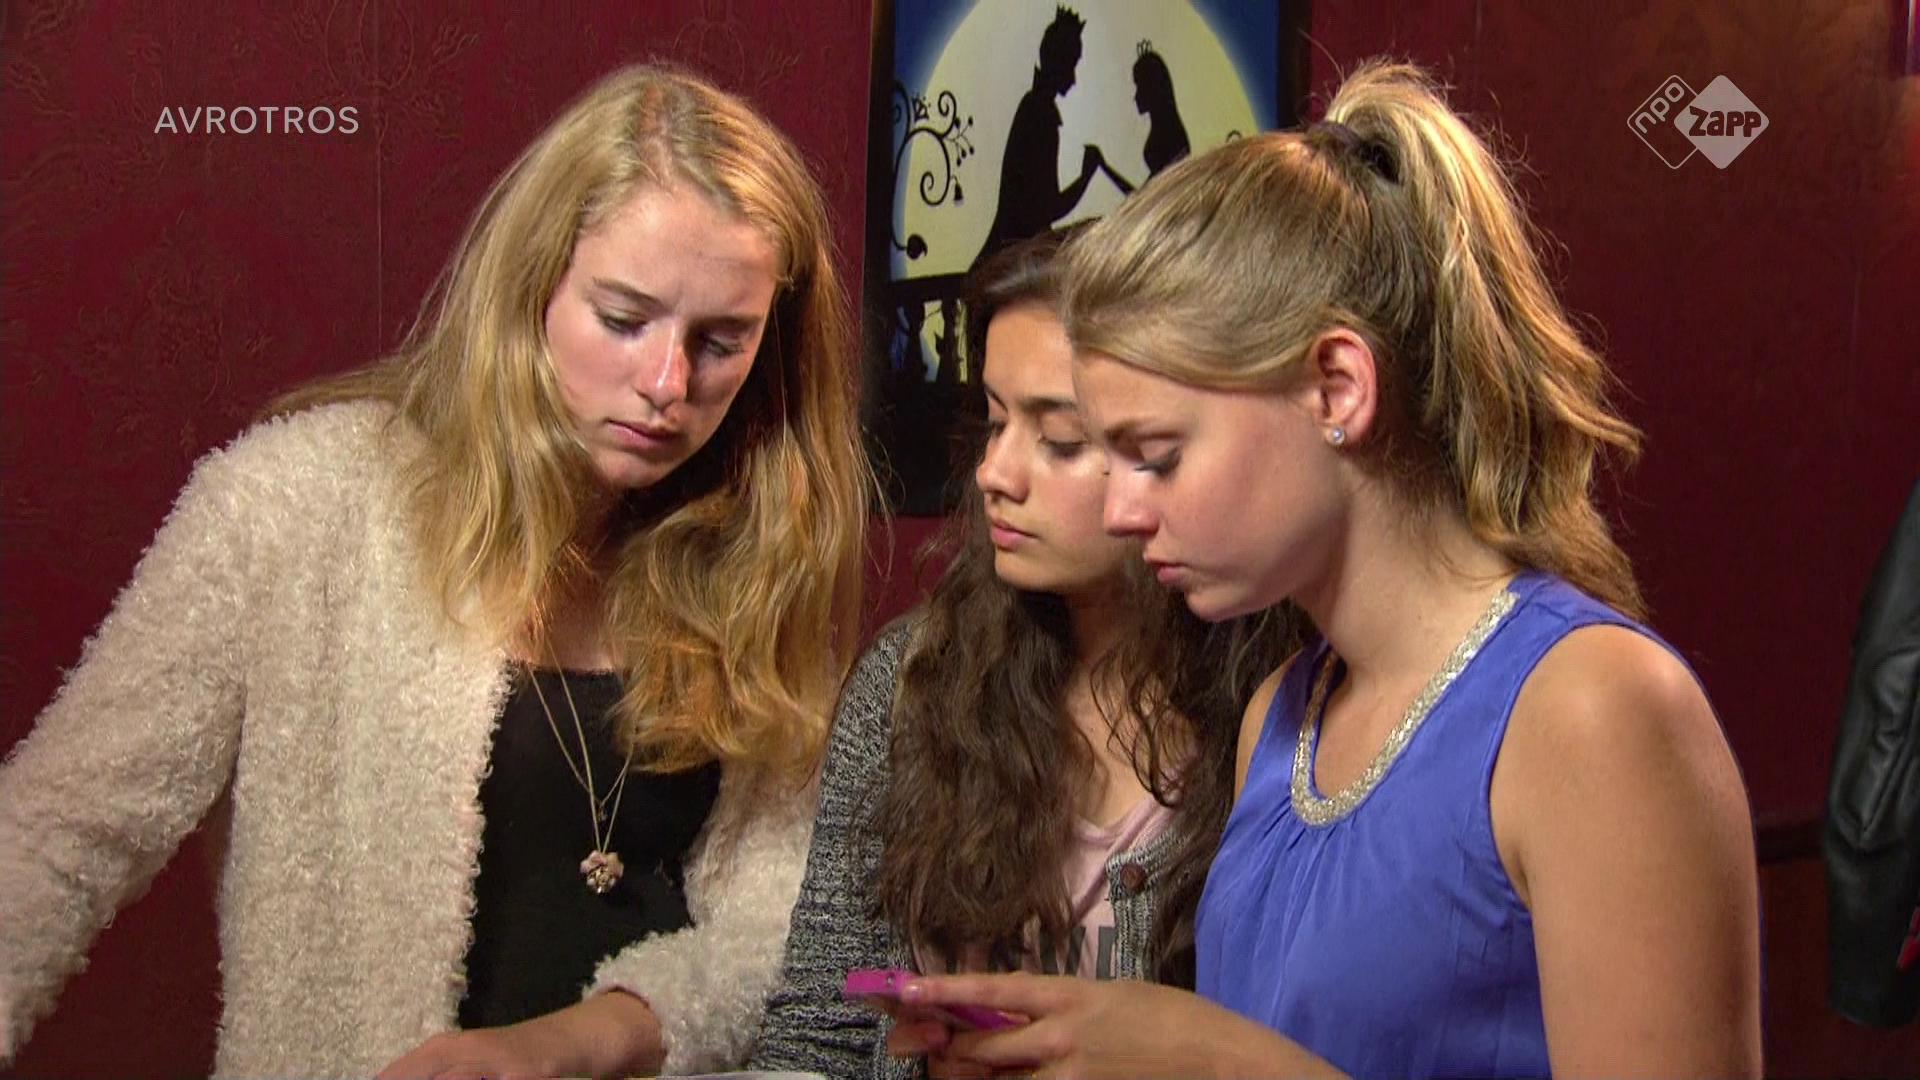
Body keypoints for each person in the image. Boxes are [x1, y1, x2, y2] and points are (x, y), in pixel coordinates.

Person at [0, 64, 871, 1079]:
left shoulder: (752, 555)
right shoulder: (295, 507)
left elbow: (786, 925)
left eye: (721, 341)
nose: (667, 383)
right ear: (533, 286)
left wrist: (582, 1041)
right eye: (623, 319)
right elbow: (58, 838)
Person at [898, 60, 1764, 1078]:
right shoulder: (1281, 714)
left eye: (1157, 455)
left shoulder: (1593, 709)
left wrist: (1219, 1062)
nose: (1124, 513)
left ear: (1337, 388)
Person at [749, 231, 1283, 1079]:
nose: (995, 473)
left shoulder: (1282, 712)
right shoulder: (911, 680)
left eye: (1060, 441)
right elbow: (818, 1031)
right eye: (996, 423)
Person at [971, 7, 1110, 273]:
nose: (1074, 78)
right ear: (1058, 63)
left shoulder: (1034, 107)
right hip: (1015, 260)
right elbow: (1048, 208)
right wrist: (1086, 176)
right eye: (1072, 65)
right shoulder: (1040, 115)